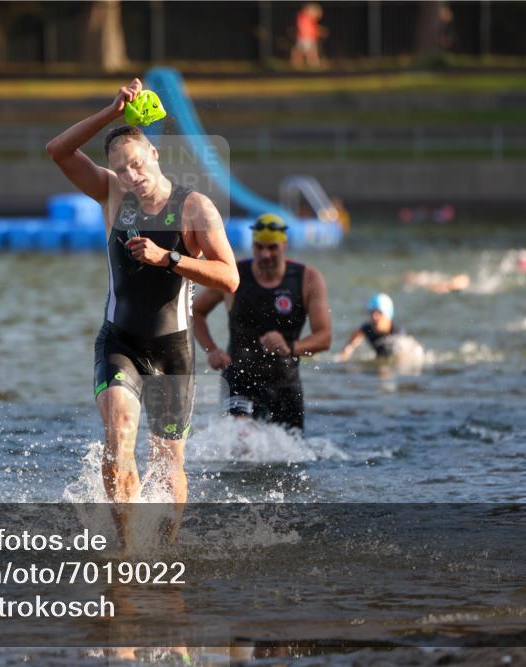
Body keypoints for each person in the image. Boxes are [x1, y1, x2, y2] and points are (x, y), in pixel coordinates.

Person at [45, 78, 239, 545]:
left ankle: (167, 549)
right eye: (121, 169)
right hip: (120, 341)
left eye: (136, 164)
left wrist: (168, 258)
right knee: (119, 434)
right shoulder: (113, 195)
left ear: (153, 154)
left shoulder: (195, 208)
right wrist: (112, 112)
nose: (131, 176)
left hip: (173, 350)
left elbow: (230, 277)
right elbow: (58, 150)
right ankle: (128, 550)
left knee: (169, 461)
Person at [192, 214, 331, 433]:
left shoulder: (307, 279)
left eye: (272, 248)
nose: (265, 254)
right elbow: (196, 312)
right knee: (242, 438)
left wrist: (291, 347)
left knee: (289, 455)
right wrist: (211, 349)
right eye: (259, 247)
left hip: (285, 381)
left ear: (284, 245)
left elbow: (324, 337)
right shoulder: (234, 275)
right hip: (239, 378)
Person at [337, 293, 407, 362]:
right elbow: (348, 348)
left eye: (379, 313)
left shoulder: (397, 333)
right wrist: (345, 354)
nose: (374, 317)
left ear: (388, 316)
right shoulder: (367, 328)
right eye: (372, 312)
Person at [291, 3, 325, 69]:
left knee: (308, 51)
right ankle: (313, 65)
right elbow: (304, 28)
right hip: (306, 37)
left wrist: (318, 31)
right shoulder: (303, 18)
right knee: (308, 52)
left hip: (308, 37)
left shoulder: (309, 20)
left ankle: (312, 65)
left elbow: (313, 28)